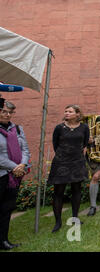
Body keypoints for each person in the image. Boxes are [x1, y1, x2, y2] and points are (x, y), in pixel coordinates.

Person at [47, 104, 90, 233]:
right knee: (58, 192)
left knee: (76, 190)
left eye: (70, 111)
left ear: (78, 114)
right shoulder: (59, 128)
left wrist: (76, 155)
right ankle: (58, 222)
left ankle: (75, 217)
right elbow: (55, 144)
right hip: (61, 163)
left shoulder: (84, 128)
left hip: (77, 162)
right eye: (65, 111)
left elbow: (85, 143)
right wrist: (64, 155)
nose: (67, 113)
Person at [0, 101, 30, 250]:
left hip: (14, 176)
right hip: (2, 173)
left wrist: (23, 165)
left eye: (10, 112)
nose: (7, 115)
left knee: (7, 208)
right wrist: (15, 167)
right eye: (4, 111)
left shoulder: (17, 129)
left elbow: (25, 149)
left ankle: (3, 240)